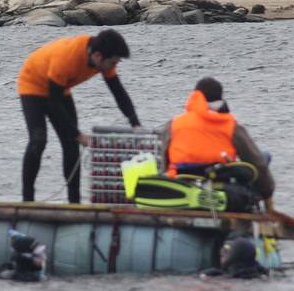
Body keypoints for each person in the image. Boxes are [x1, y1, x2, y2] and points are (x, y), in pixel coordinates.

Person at [18, 29, 140, 203]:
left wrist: (135, 123)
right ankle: (27, 201)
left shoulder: (103, 60)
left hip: (60, 87)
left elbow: (118, 92)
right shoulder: (66, 57)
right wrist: (78, 134)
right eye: (113, 62)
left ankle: (74, 203)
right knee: (39, 139)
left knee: (71, 145)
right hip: (32, 83)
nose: (114, 67)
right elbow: (54, 102)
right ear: (98, 57)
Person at [158, 76, 275, 202]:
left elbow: (165, 160)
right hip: (220, 185)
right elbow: (257, 162)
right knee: (263, 157)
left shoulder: (173, 124)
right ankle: (265, 208)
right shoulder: (231, 125)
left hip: (181, 185)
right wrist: (266, 192)